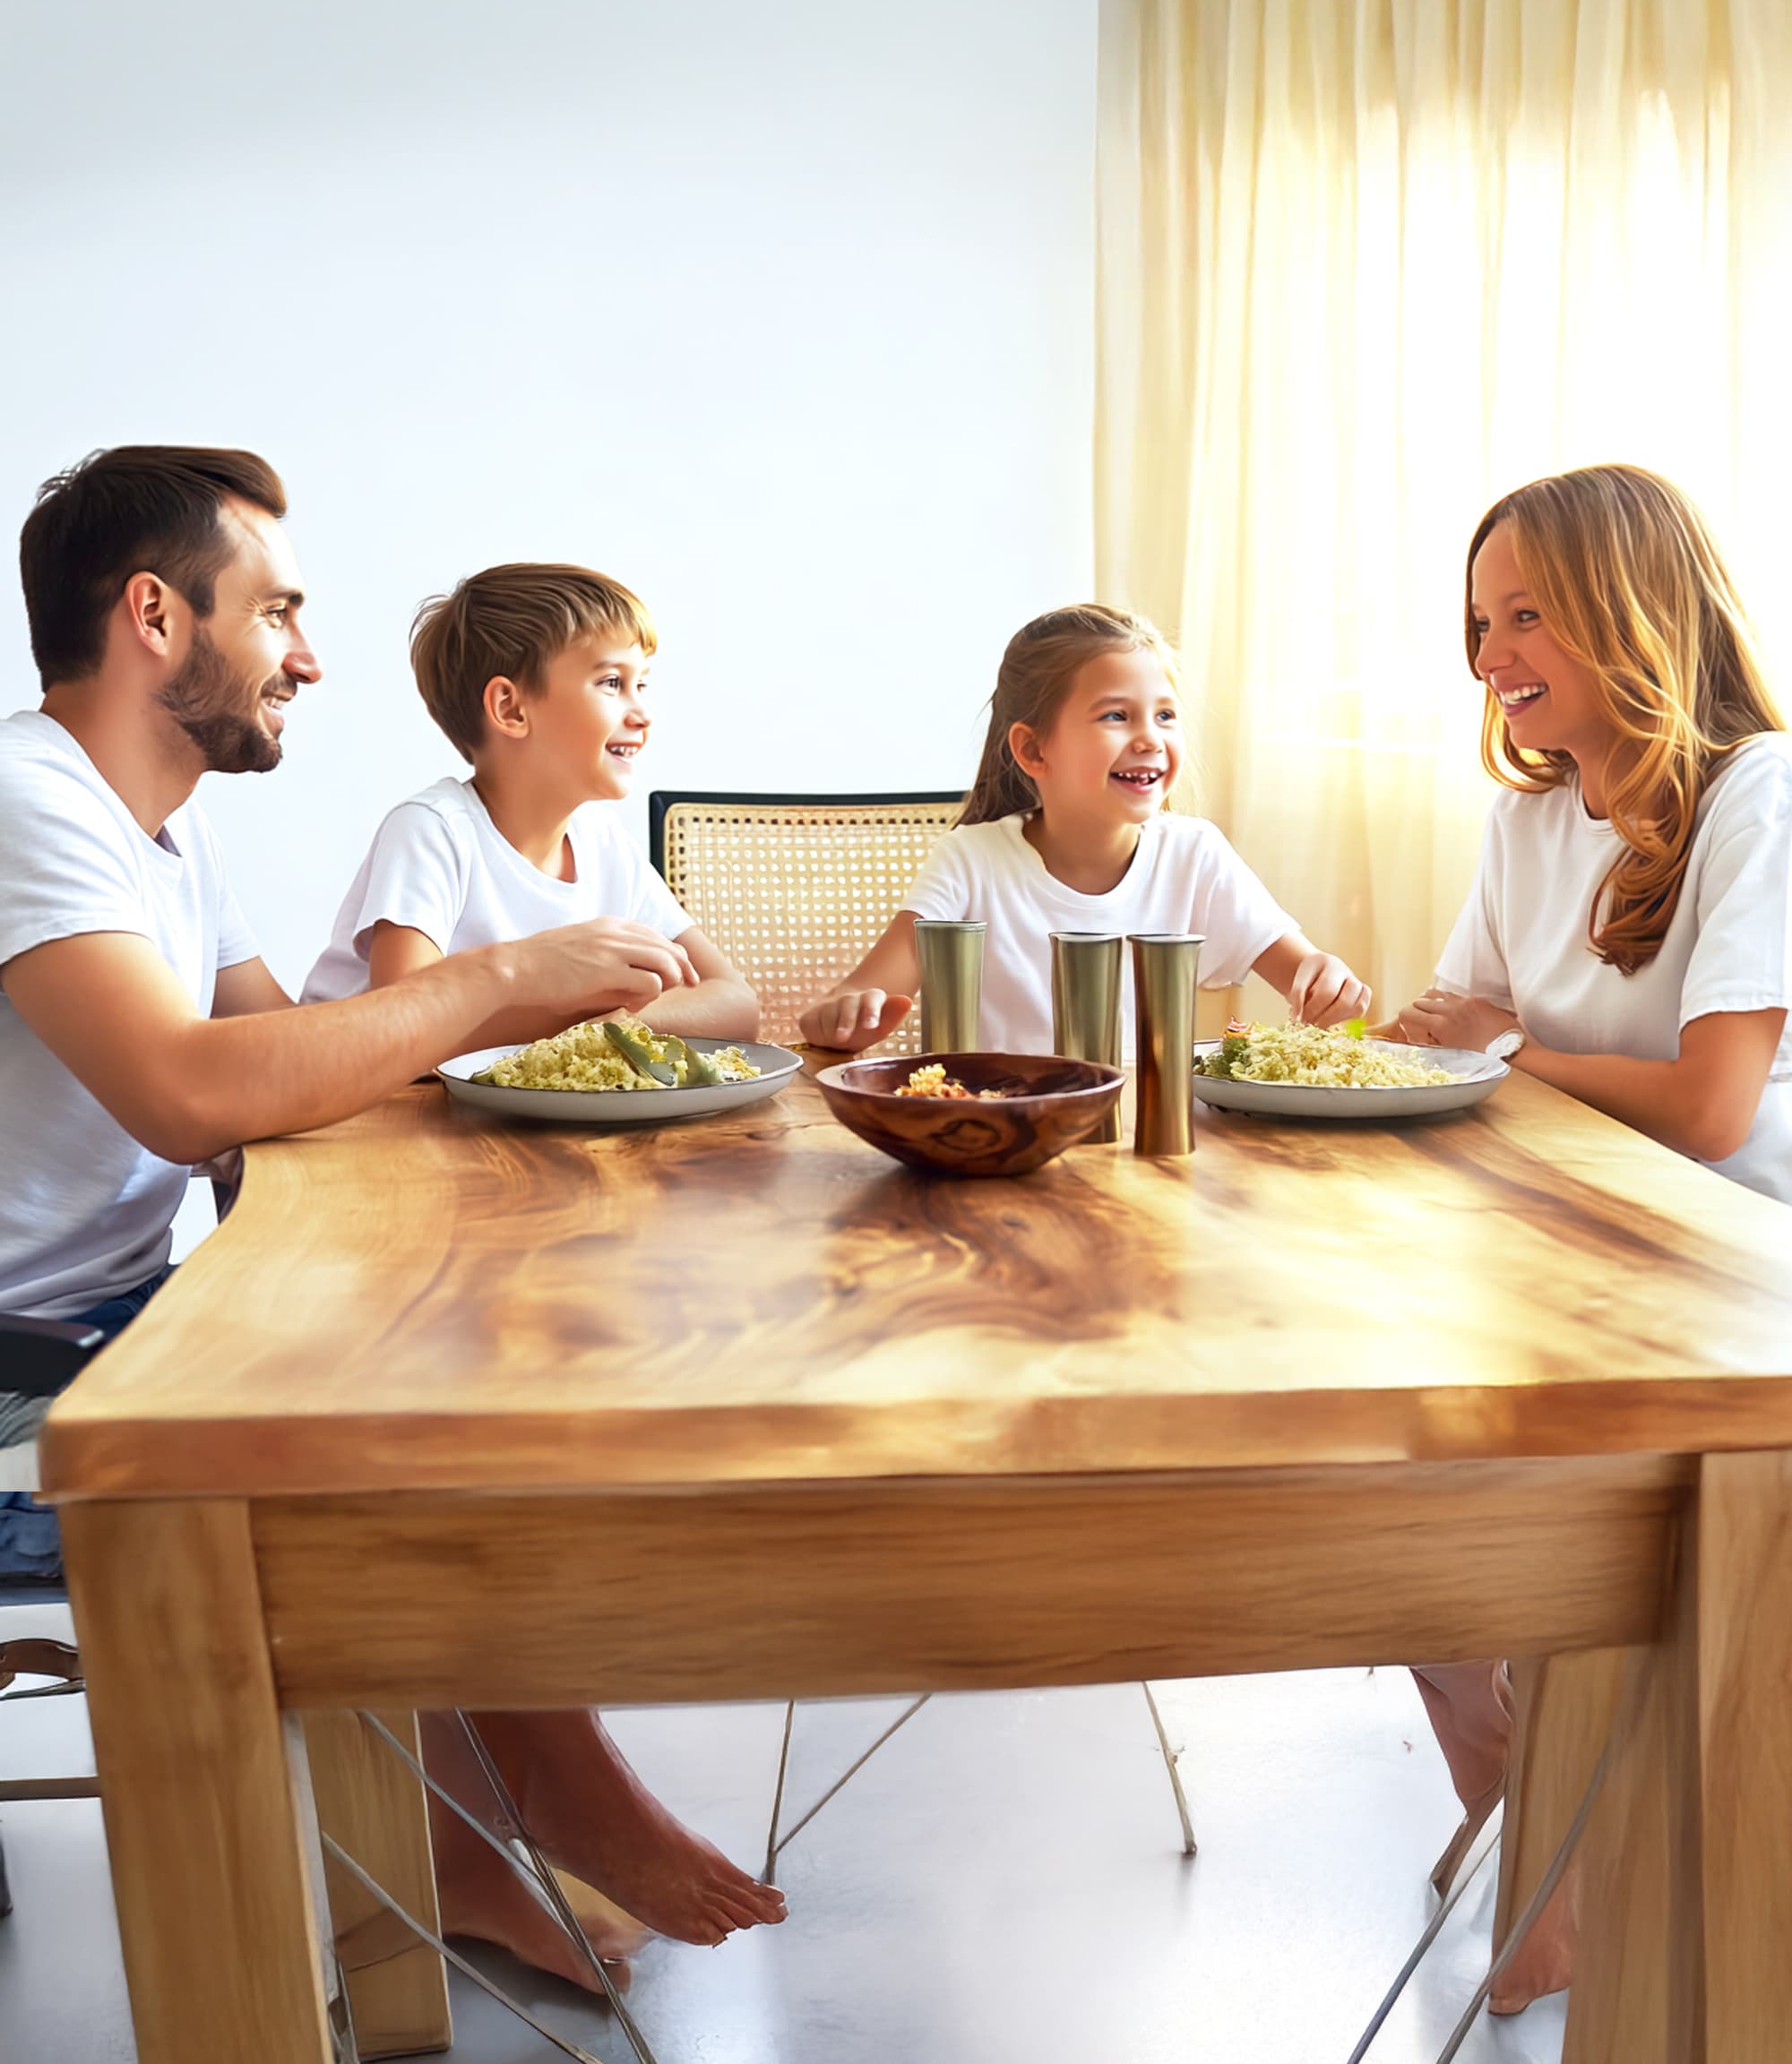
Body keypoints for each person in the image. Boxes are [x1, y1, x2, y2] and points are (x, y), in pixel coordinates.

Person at [0, 447, 783, 1991]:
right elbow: (186, 1092)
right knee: (388, 1438)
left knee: (456, 1356)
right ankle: (524, 1810)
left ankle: (467, 1839)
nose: (309, 655)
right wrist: (494, 984)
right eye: (278, 612)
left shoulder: (164, 829)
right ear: (157, 618)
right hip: (25, 1376)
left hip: (116, 1319)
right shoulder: (29, 803)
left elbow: (283, 1066)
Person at [1393, 463, 1792, 2010]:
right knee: (1389, 1476)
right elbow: (1438, 1038)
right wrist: (1469, 1051)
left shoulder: (1760, 795)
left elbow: (1708, 1109)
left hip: (1737, 1275)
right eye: (1478, 623)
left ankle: (1566, 1859)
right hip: (1576, 1247)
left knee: (1513, 1493)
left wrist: (1505, 1051)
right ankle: (1525, 1812)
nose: (1489, 656)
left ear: (1628, 606)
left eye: (1523, 615)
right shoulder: (1532, 818)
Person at [800, 601, 1370, 1054]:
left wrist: (1327, 981)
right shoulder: (971, 861)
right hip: (1003, 1133)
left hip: (1145, 1138)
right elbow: (861, 995)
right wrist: (844, 1016)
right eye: (1116, 716)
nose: (1151, 738)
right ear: (1033, 749)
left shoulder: (1194, 855)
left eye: (1165, 715)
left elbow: (1306, 975)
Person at [305, 560, 756, 1036]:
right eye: (612, 683)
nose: (643, 712)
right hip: (375, 1107)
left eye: (640, 683)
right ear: (510, 708)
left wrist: (594, 1029)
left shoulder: (605, 845)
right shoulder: (433, 831)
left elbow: (735, 1003)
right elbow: (401, 1023)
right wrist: (589, 1024)